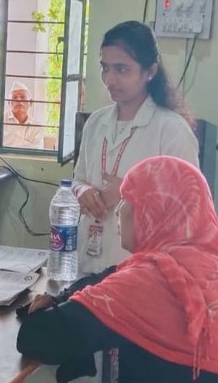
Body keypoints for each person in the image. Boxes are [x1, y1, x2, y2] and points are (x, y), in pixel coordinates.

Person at [17, 156, 218, 383]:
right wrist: (61, 297)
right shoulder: (206, 262)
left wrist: (43, 309)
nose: (120, 211)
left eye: (128, 200)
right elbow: (108, 276)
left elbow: (35, 338)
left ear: (153, 211)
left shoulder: (147, 285)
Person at [72, 20, 199, 277]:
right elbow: (78, 178)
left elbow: (190, 208)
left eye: (122, 69)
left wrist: (131, 193)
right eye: (104, 68)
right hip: (88, 261)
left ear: (150, 71)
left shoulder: (171, 129)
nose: (110, 79)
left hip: (142, 273)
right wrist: (82, 191)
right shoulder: (96, 122)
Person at [2, 81, 45, 149]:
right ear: (9, 103)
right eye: (14, 97)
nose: (19, 100)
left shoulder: (37, 127)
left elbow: (37, 153)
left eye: (23, 97)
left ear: (30, 102)